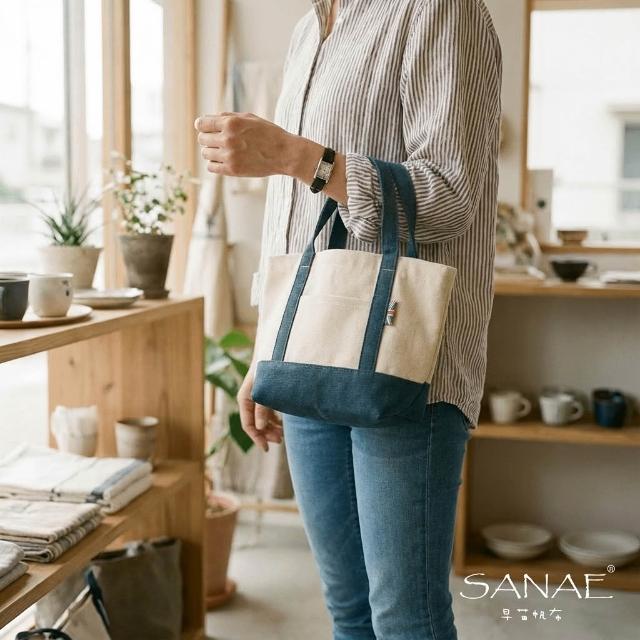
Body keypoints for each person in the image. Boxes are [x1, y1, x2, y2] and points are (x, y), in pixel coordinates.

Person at [196, 0, 501, 637]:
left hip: (407, 363)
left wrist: (299, 157)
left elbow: (448, 198)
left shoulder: (438, 11)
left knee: (405, 619)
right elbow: (291, 221)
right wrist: (266, 352)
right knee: (349, 612)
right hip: (309, 352)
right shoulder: (310, 29)